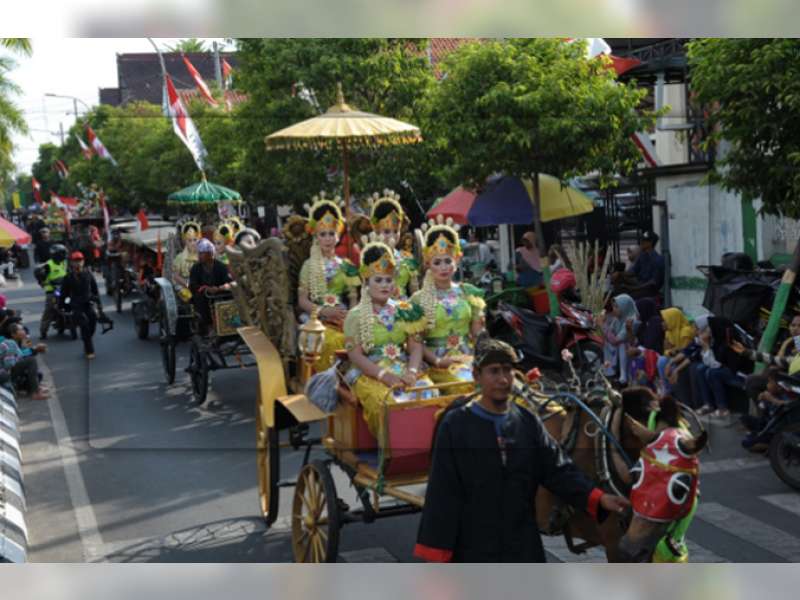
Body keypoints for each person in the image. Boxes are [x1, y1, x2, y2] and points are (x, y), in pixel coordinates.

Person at [414, 335, 630, 562]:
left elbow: (557, 469)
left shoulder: (526, 422)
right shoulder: (456, 425)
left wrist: (598, 498)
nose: (502, 379)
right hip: (473, 547)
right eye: (494, 371)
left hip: (522, 543)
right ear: (477, 375)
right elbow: (443, 494)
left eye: (507, 370)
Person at [343, 238, 436, 437]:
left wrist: (411, 371)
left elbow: (415, 347)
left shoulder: (406, 310)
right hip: (370, 374)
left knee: (429, 392)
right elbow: (356, 357)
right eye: (378, 280)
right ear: (366, 281)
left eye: (388, 280)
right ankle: (391, 455)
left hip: (402, 369)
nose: (385, 285)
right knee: (385, 402)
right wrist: (384, 376)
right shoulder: (355, 315)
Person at [411, 218, 485, 390]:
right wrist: (438, 361)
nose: (443, 267)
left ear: (456, 260)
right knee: (466, 387)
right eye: (437, 262)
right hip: (437, 363)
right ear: (428, 263)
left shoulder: (469, 293)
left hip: (468, 358)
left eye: (447, 261)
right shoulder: (418, 300)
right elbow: (414, 343)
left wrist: (485, 355)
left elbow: (478, 333)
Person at [298, 195, 361, 372]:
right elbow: (302, 301)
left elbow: (353, 298)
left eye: (331, 234)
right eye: (323, 234)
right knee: (335, 341)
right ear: (316, 236)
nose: (327, 239)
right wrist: (324, 311)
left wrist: (350, 316)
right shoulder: (308, 266)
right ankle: (331, 379)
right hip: (317, 319)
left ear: (338, 235)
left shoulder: (346, 265)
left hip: (342, 317)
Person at [369, 190, 419, 298]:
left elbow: (415, 293)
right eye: (386, 231)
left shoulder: (407, 259)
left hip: (404, 311)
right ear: (376, 231)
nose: (392, 236)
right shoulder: (368, 259)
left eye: (396, 231)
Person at [58, 251, 101, 359]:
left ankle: (86, 339)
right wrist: (61, 306)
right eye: (75, 261)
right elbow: (63, 294)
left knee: (92, 323)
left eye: (80, 261)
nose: (78, 263)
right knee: (84, 324)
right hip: (76, 305)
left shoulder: (88, 274)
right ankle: (89, 350)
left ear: (83, 261)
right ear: (71, 263)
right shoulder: (68, 277)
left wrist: (99, 305)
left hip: (88, 303)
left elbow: (95, 290)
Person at [188, 238, 233, 337]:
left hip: (220, 293)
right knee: (200, 298)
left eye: (202, 253)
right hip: (204, 295)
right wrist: (206, 289)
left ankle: (231, 325)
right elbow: (193, 285)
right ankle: (209, 327)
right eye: (199, 253)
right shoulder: (196, 268)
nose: (199, 256)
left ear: (210, 254)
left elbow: (229, 282)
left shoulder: (221, 266)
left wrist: (218, 288)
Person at [600, 294, 639, 386]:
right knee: (606, 343)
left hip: (632, 348)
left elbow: (615, 340)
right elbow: (610, 334)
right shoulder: (618, 319)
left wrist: (602, 325)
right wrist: (603, 324)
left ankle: (623, 376)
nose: (614, 309)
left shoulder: (631, 320)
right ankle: (610, 372)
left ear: (624, 307)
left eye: (617, 307)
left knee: (622, 345)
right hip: (622, 346)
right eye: (613, 306)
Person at [36, 243, 68, 340]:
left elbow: (69, 272)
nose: (64, 255)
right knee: (49, 310)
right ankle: (43, 331)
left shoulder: (64, 262)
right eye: (62, 253)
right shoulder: (48, 265)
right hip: (52, 291)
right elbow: (40, 276)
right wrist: (42, 282)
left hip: (65, 288)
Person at [171, 220, 201, 303]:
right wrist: (188, 284)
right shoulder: (179, 258)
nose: (193, 243)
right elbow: (176, 276)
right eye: (190, 240)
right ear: (185, 241)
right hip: (185, 285)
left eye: (195, 240)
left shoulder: (203, 255)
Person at [628, 230, 666, 294]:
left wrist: (634, 288)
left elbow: (653, 282)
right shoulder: (642, 256)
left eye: (644, 240)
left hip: (649, 293)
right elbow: (633, 272)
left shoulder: (658, 259)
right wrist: (620, 274)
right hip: (639, 288)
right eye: (642, 240)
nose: (641, 242)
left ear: (650, 243)